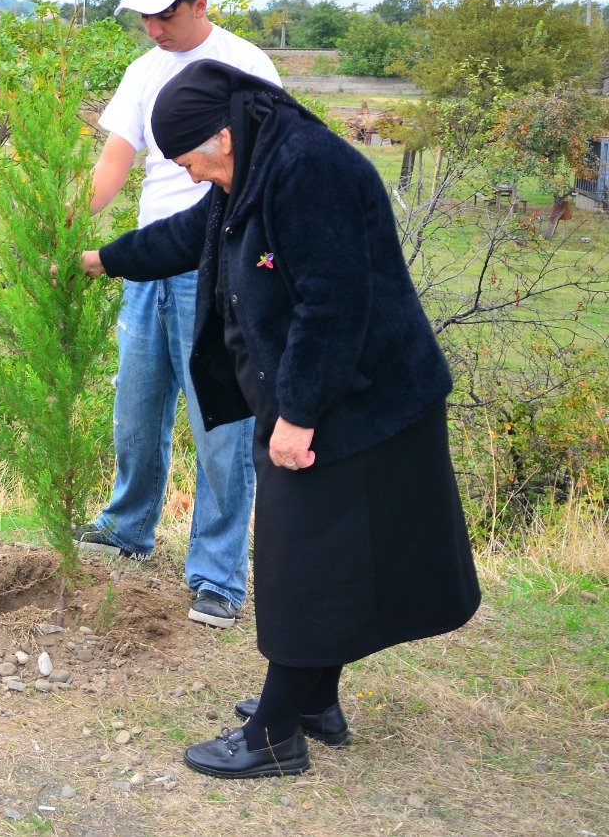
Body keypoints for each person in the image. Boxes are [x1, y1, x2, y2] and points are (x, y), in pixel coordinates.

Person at [82, 58, 481, 779]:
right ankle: (314, 703)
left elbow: (334, 305)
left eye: (191, 161)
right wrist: (103, 260)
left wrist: (296, 417)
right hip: (329, 395)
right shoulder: (256, 165)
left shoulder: (308, 170)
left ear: (222, 139)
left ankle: (274, 735)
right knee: (328, 560)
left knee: (301, 563)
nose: (194, 175)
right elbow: (186, 236)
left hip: (360, 399)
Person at [76, 0, 281, 630]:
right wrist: (70, 225)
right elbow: (115, 159)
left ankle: (218, 575)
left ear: (200, 3)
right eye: (145, 16)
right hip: (148, 265)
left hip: (217, 269)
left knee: (221, 424)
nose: (154, 27)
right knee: (136, 410)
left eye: (166, 14)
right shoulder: (143, 71)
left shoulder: (244, 66)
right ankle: (126, 528)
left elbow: (268, 167)